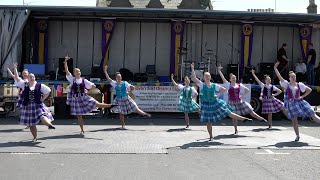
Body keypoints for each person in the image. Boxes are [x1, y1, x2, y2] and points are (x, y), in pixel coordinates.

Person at [191, 63, 252, 141]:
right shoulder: (202, 85)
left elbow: (223, 89)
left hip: (215, 103)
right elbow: (194, 78)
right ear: (204, 77)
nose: (207, 77)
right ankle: (211, 136)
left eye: (209, 76)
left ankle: (243, 119)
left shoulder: (214, 85)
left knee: (228, 112)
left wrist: (217, 95)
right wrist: (192, 69)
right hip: (207, 105)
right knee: (209, 121)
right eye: (206, 76)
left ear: (210, 77)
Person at [64, 56, 115, 135]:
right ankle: (82, 130)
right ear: (74, 73)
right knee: (79, 115)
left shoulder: (84, 80)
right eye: (77, 72)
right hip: (76, 99)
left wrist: (88, 91)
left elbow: (93, 86)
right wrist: (65, 62)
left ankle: (110, 106)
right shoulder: (72, 79)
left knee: (96, 103)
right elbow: (67, 71)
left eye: (79, 71)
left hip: (84, 97)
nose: (78, 73)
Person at [274, 61, 320, 141]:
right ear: (289, 78)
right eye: (292, 77)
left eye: (294, 77)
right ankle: (297, 135)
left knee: (313, 114)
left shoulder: (299, 85)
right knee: (294, 121)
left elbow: (309, 90)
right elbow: (279, 76)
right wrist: (275, 68)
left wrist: (302, 96)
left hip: (300, 102)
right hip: (292, 104)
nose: (293, 78)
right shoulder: (286, 84)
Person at [218, 65, 267, 134]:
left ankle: (260, 119)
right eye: (232, 78)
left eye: (234, 78)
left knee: (250, 110)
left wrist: (242, 95)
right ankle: (236, 130)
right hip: (232, 102)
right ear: (230, 79)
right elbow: (223, 78)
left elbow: (247, 90)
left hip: (239, 101)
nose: (234, 79)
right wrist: (219, 71)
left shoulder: (239, 85)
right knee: (234, 117)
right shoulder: (228, 85)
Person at [15, 73, 55, 142]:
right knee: (31, 123)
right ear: (28, 79)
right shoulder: (24, 85)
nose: (32, 78)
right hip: (28, 106)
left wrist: (42, 99)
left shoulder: (39, 85)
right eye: (30, 77)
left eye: (33, 77)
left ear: (35, 78)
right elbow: (17, 78)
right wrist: (15, 69)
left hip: (37, 105)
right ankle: (35, 137)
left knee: (42, 116)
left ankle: (49, 125)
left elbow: (48, 91)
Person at [6, 63, 30, 129]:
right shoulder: (21, 81)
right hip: (24, 97)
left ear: (28, 74)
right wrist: (9, 69)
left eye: (26, 73)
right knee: (25, 110)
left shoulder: (30, 79)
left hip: (30, 96)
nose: (24, 74)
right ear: (22, 74)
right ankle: (29, 123)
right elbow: (15, 76)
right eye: (23, 73)